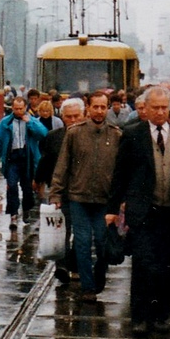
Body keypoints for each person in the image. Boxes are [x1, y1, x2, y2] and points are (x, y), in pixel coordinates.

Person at [107, 86, 170, 336]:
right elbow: (120, 174)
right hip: (144, 212)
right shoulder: (132, 135)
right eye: (155, 108)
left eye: (163, 108)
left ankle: (161, 316)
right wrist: (113, 209)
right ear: (144, 109)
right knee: (143, 265)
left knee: (167, 265)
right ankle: (139, 317)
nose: (160, 112)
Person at [51, 91, 122, 303]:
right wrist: (56, 192)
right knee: (81, 242)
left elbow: (122, 171)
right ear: (88, 108)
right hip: (78, 197)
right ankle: (88, 287)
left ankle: (100, 275)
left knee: (101, 243)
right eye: (95, 107)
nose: (99, 111)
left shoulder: (117, 135)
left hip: (104, 200)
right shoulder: (74, 134)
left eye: (103, 107)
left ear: (107, 108)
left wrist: (121, 200)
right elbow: (62, 165)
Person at [34, 97, 85, 283]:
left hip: (83, 192)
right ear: (62, 117)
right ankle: (62, 266)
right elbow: (46, 160)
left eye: (76, 116)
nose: (72, 120)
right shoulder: (53, 137)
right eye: (68, 117)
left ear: (83, 115)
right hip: (61, 192)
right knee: (61, 230)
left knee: (81, 233)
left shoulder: (89, 135)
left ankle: (75, 264)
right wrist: (38, 179)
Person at [0, 96, 48, 230]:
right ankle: (13, 215)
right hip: (12, 159)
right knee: (11, 186)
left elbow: (43, 134)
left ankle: (26, 210)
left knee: (27, 188)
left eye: (21, 109)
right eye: (16, 109)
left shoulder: (32, 121)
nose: (18, 111)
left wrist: (30, 123)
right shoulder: (5, 123)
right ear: (12, 108)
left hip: (27, 158)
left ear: (25, 108)